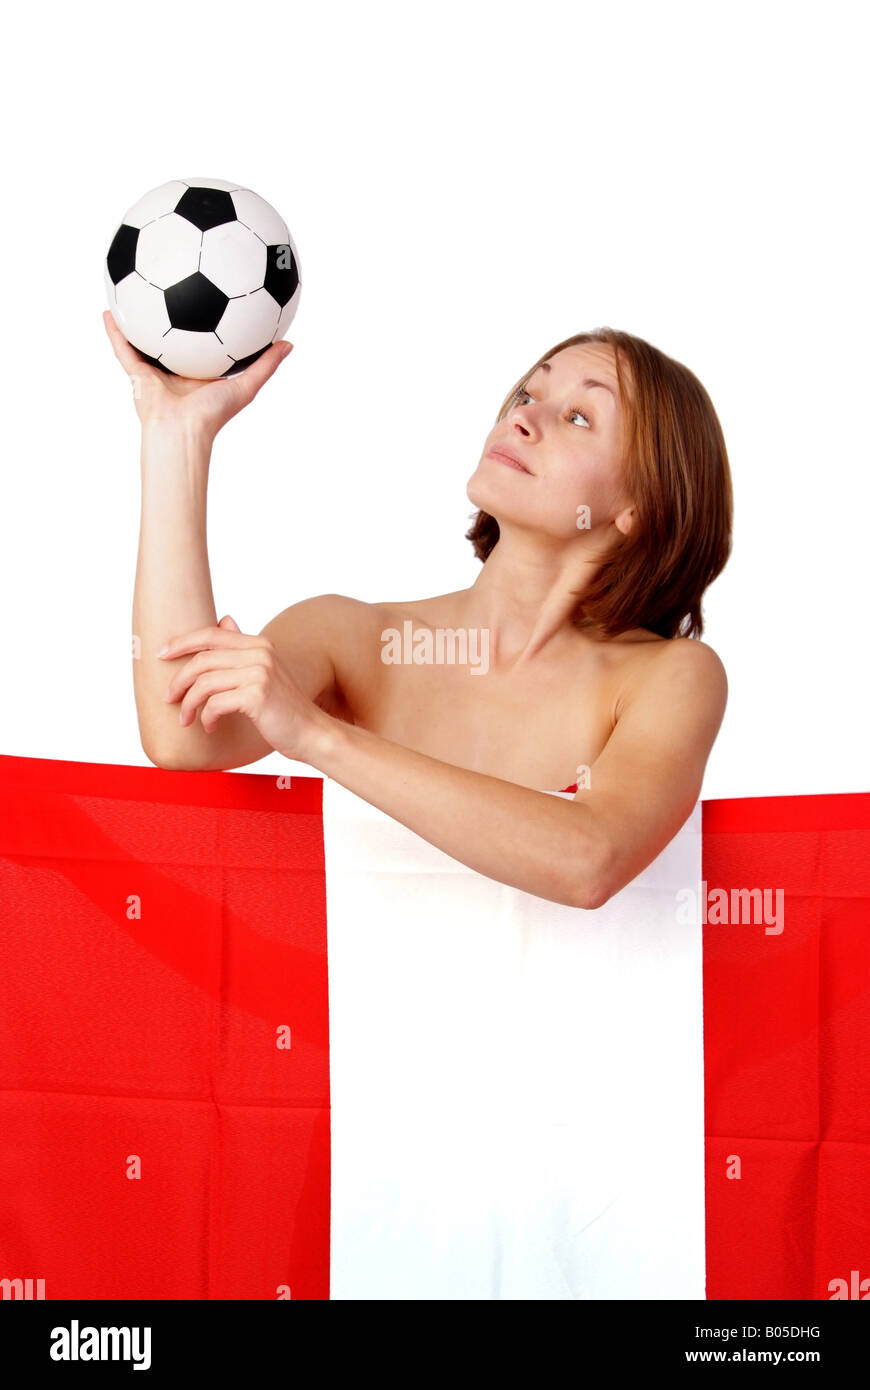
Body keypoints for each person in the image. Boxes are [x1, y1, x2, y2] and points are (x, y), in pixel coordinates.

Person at [104, 312, 731, 909]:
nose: (524, 418)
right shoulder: (351, 635)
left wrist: (317, 736)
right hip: (368, 1020)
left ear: (639, 505)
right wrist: (175, 436)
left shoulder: (674, 677)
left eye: (577, 417)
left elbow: (591, 862)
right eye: (525, 397)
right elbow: (181, 737)